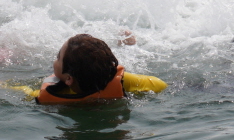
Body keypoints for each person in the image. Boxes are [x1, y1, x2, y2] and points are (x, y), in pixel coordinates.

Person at [36, 34, 167, 104]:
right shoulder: (123, 83)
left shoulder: (53, 96)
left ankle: (127, 45)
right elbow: (159, 85)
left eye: (58, 57)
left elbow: (23, 91)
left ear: (69, 79)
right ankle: (125, 44)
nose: (55, 60)